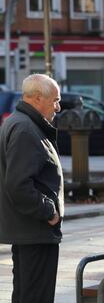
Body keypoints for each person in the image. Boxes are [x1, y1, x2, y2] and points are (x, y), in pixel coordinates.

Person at [0, 74, 64, 303]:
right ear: (38, 98)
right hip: (35, 231)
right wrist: (49, 212)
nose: (58, 107)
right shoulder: (26, 129)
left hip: (31, 231)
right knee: (35, 296)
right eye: (55, 100)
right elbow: (18, 185)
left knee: (27, 295)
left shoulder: (22, 123)